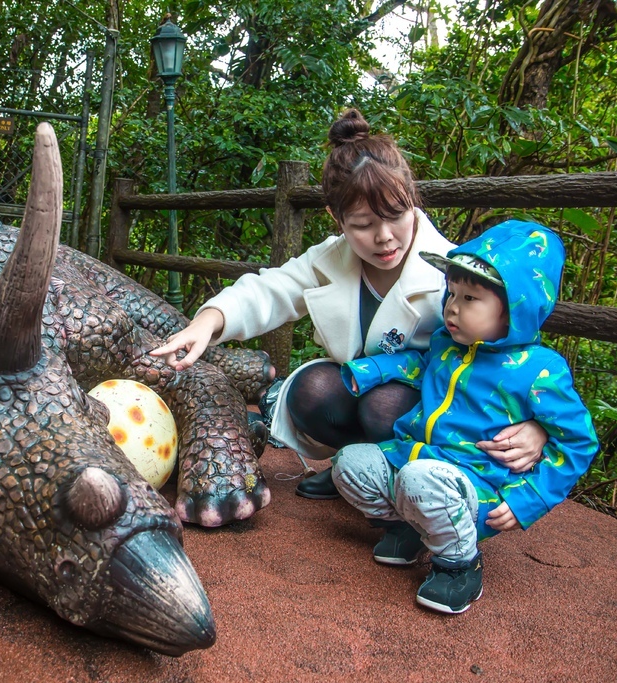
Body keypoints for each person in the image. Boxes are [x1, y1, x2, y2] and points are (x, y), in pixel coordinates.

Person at [149, 109, 548, 496]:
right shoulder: (331, 258)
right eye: (363, 225)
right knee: (311, 389)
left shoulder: (454, 270)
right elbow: (269, 289)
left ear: (413, 199)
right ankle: (353, 469)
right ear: (335, 218)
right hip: (364, 387)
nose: (385, 237)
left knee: (385, 402)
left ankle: (405, 488)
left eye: (396, 215)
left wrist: (538, 425)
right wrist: (209, 321)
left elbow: (514, 348)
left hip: (433, 410)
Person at [332, 220, 599, 614]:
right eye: (451, 293)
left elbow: (578, 441)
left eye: (471, 299)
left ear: (515, 311)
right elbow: (421, 365)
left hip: (475, 483)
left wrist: (532, 497)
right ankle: (415, 529)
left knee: (420, 480)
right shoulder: (446, 343)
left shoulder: (539, 370)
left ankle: (459, 566)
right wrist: (370, 371)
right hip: (414, 459)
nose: (452, 307)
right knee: (350, 463)